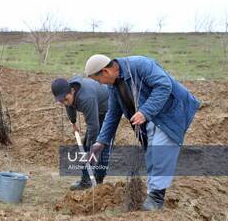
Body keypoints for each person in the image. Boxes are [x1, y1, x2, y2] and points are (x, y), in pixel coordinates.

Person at [85, 54, 200, 211]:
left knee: (161, 151)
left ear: (105, 71)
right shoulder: (114, 86)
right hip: (152, 119)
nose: (100, 84)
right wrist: (100, 142)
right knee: (152, 154)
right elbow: (112, 114)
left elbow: (164, 85)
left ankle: (156, 198)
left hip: (172, 111)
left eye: (98, 80)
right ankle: (154, 193)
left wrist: (145, 112)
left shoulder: (141, 65)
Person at [51, 76, 110, 190]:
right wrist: (73, 123)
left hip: (108, 109)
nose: (64, 102)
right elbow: (69, 105)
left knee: (101, 145)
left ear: (72, 91)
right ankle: (86, 180)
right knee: (88, 148)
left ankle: (98, 181)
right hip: (96, 107)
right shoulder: (68, 92)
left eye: (65, 99)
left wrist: (90, 147)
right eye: (61, 101)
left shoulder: (86, 98)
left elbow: (94, 126)